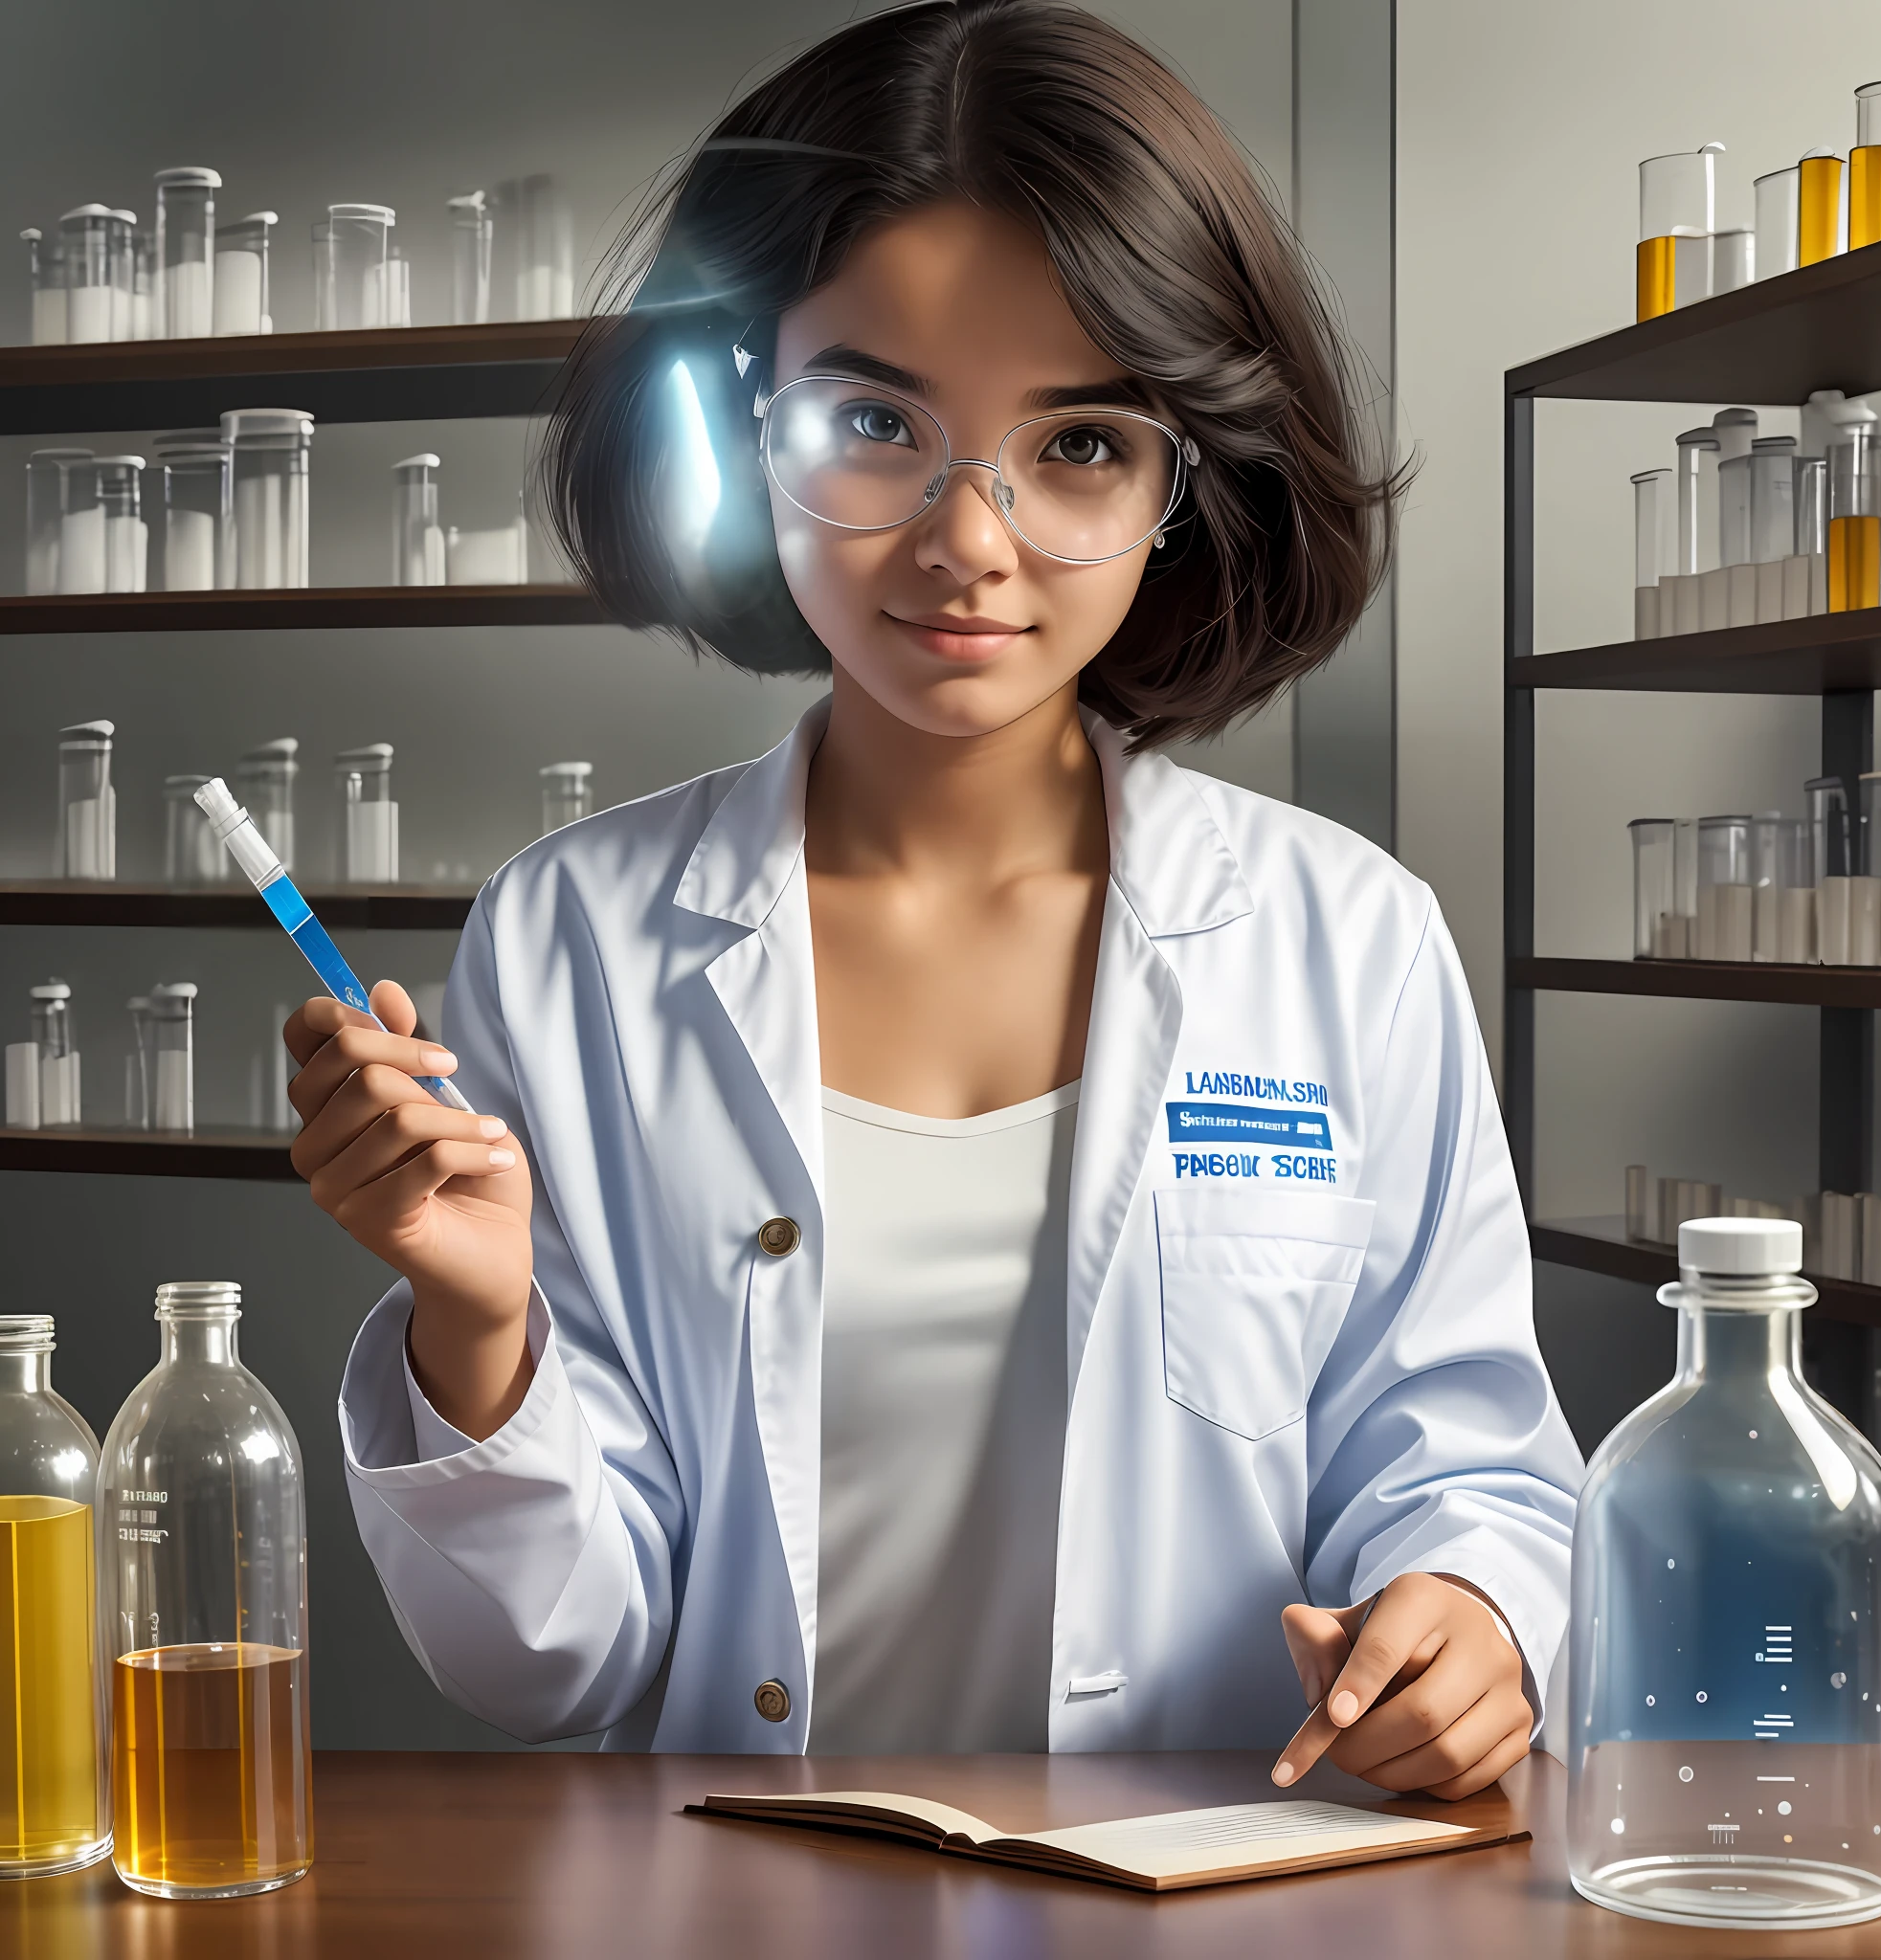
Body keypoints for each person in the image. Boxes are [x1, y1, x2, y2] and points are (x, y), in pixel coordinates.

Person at [299, 0, 1582, 1797]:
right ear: (745, 423)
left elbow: (1465, 1462)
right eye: (873, 420)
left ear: (1183, 486)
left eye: (1077, 447)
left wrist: (1471, 1610)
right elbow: (551, 1666)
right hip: (741, 1909)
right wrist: (481, 1330)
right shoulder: (576, 939)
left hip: (1218, 1906)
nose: (966, 541)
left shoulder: (1342, 939)